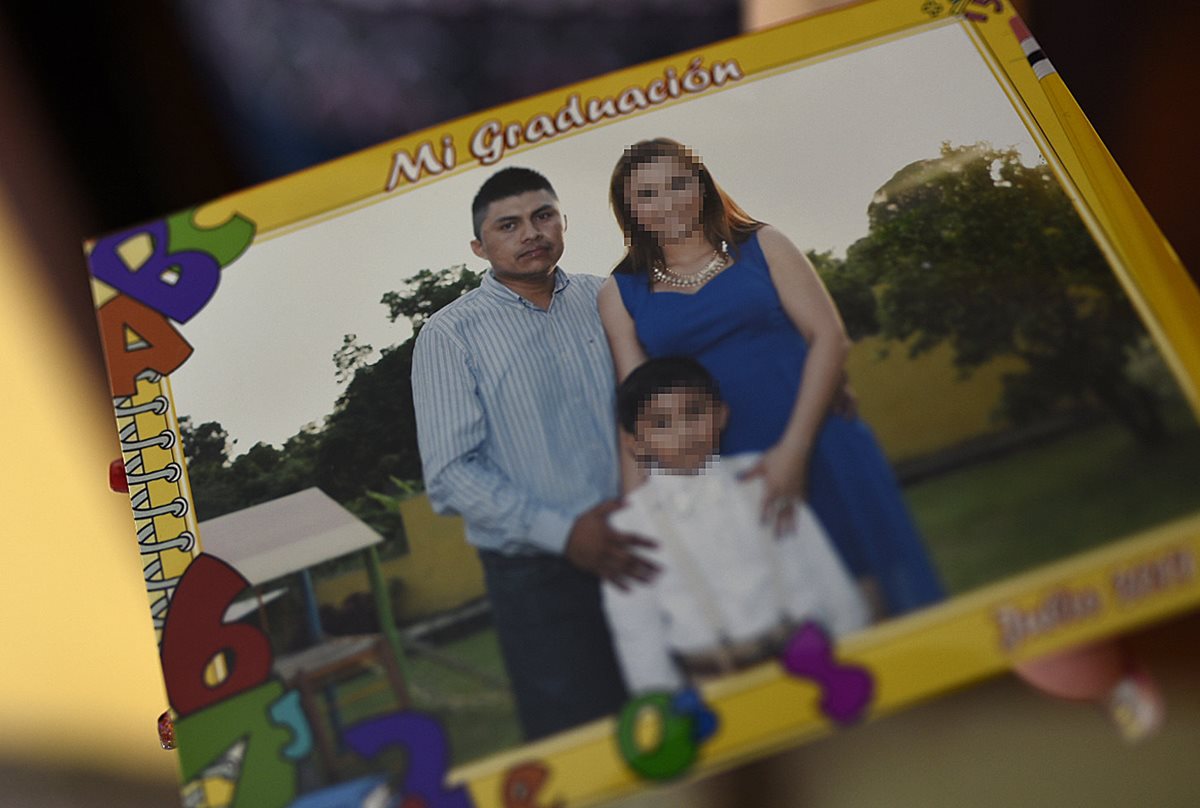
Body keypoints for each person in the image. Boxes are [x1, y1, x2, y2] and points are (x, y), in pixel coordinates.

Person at [598, 137, 943, 617]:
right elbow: (637, 408)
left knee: (872, 586)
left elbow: (828, 338)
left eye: (680, 184)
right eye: (648, 194)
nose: (669, 203)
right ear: (628, 209)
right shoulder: (621, 293)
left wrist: (794, 451)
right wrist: (639, 513)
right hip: (725, 469)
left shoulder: (764, 245)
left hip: (817, 435)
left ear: (702, 187)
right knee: (794, 604)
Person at [410, 167, 656, 741]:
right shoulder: (450, 335)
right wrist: (565, 532)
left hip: (638, 544)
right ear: (480, 245)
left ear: (563, 221)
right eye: (509, 224)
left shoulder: (607, 297)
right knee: (583, 742)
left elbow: (658, 404)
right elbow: (450, 476)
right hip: (537, 577)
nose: (531, 233)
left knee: (679, 716)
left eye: (543, 215)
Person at [603, 356, 870, 693]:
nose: (683, 432)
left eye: (695, 414)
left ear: (721, 414)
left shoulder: (764, 480)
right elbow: (637, 632)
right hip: (714, 685)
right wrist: (662, 703)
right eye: (661, 423)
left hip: (809, 666)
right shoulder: (630, 527)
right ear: (635, 443)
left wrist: (854, 646)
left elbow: (824, 571)